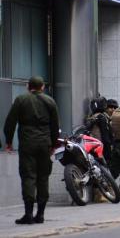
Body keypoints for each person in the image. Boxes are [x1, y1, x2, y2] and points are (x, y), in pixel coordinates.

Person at [3, 76, 59, 225]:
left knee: (28, 176)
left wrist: (8, 141)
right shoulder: (50, 101)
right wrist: (53, 145)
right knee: (43, 178)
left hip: (27, 144)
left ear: (28, 86)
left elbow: (10, 122)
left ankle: (28, 214)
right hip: (44, 144)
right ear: (42, 87)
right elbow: (55, 126)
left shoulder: (21, 99)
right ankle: (40, 214)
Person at [85, 96, 113, 163]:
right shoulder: (102, 117)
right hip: (102, 147)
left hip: (92, 146)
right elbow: (105, 135)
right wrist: (109, 148)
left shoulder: (92, 117)